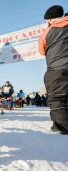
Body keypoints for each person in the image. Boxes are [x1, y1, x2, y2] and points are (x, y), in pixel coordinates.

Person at [38, 5, 68, 134]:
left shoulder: (47, 32)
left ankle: (62, 127)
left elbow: (41, 51)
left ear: (49, 19)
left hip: (57, 69)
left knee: (57, 99)